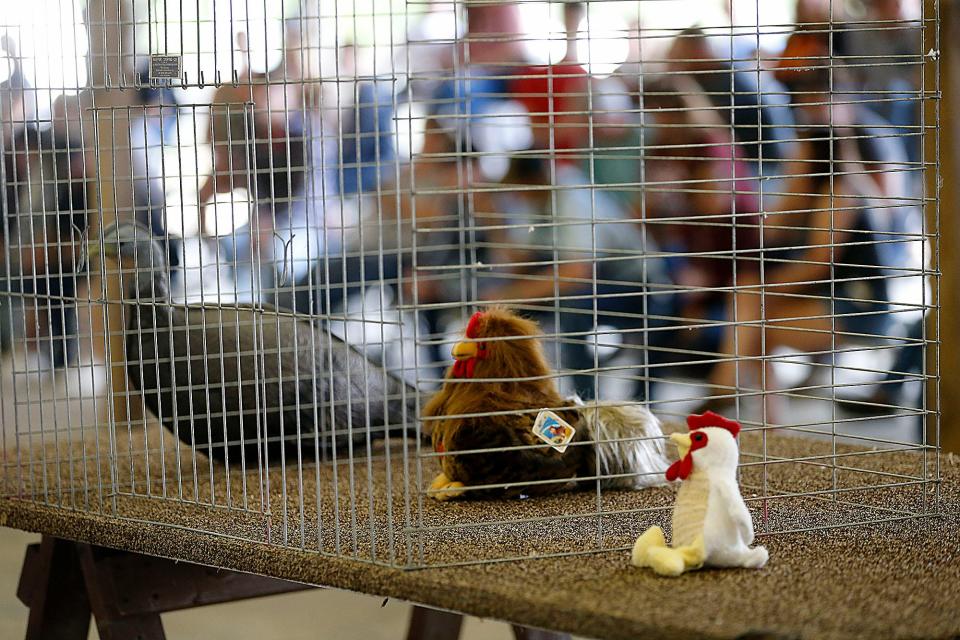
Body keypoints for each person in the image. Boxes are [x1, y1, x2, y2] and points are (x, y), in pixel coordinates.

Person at [698, 129, 892, 419]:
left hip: (859, 305)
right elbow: (767, 235)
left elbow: (817, 264)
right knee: (751, 311)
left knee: (752, 316)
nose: (791, 161)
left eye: (797, 155)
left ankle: (727, 390)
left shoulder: (841, 191)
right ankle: (760, 416)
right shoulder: (809, 193)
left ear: (819, 158)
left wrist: (764, 289)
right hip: (829, 297)